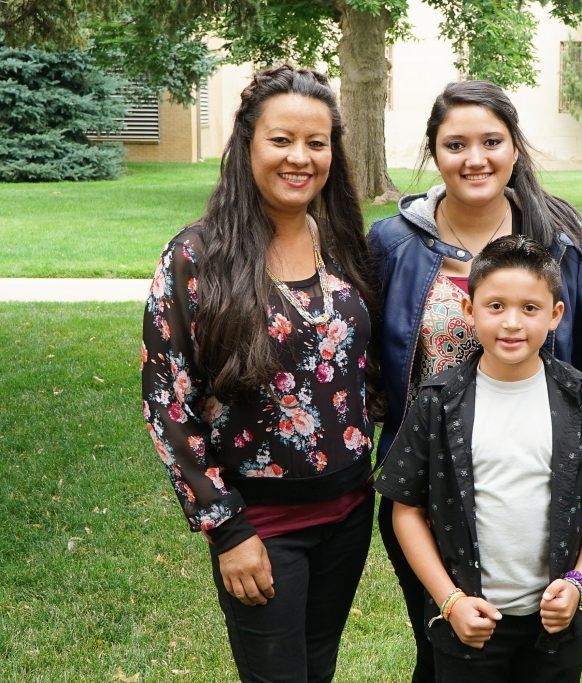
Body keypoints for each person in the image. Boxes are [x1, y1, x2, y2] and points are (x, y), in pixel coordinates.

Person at [141, 65, 381, 683]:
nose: (300, 157)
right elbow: (169, 403)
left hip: (348, 514)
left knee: (317, 667)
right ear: (247, 142)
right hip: (261, 523)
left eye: (317, 142)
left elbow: (364, 369)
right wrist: (226, 527)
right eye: (281, 140)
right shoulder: (197, 257)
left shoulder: (344, 244)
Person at [368, 80, 582, 681]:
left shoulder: (559, 244)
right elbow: (364, 358)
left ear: (514, 148)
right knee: (443, 644)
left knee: (534, 649)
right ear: (433, 153)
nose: (475, 159)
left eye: (491, 141)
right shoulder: (393, 244)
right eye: (456, 144)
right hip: (424, 487)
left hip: (531, 485)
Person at [375, 235, 582, 682]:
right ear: (469, 311)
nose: (512, 323)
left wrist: (579, 582)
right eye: (495, 306)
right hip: (467, 623)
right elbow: (407, 512)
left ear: (556, 315)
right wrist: (450, 601)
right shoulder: (437, 402)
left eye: (530, 308)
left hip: (553, 626)